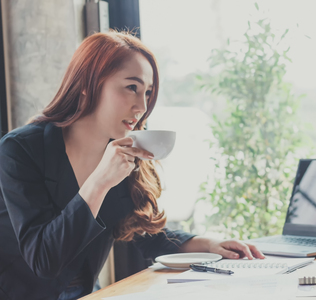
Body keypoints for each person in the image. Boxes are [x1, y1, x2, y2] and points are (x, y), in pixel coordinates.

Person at [0, 31, 264, 300]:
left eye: (148, 92)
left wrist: (211, 244)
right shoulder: (20, 150)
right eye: (131, 87)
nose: (142, 106)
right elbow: (44, 260)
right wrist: (100, 181)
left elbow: (145, 233)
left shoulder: (119, 153)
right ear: (86, 84)